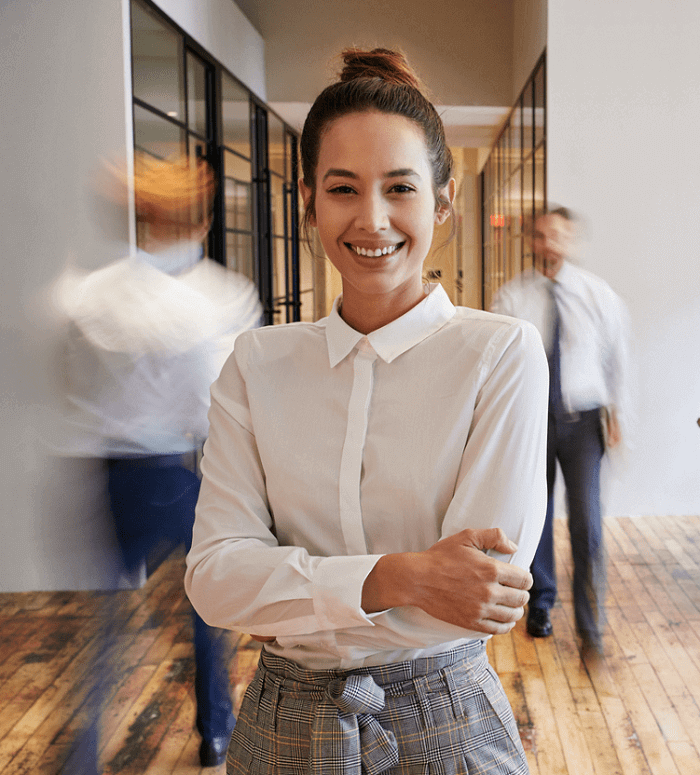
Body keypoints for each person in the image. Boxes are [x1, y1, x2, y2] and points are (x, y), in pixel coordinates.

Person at [186, 48, 548, 775]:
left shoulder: (500, 352)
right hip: (282, 724)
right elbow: (216, 579)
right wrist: (404, 575)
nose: (372, 218)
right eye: (343, 188)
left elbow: (477, 593)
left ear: (443, 201)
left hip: (447, 713)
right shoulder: (257, 363)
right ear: (309, 200)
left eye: (401, 187)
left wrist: (290, 589)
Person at [56, 154, 262, 770]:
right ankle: (216, 731)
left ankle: (84, 752)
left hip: (109, 475)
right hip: (177, 472)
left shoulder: (92, 295)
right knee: (206, 609)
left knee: (107, 626)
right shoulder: (222, 299)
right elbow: (219, 402)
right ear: (201, 224)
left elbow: (73, 386)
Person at [491, 206, 629, 655]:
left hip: (584, 421)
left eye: (559, 236)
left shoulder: (597, 294)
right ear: (531, 241)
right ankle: (541, 604)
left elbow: (616, 358)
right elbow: (499, 364)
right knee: (538, 516)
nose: (550, 244)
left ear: (571, 243)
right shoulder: (512, 298)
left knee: (588, 522)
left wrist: (618, 414)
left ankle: (591, 622)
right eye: (543, 235)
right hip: (533, 422)